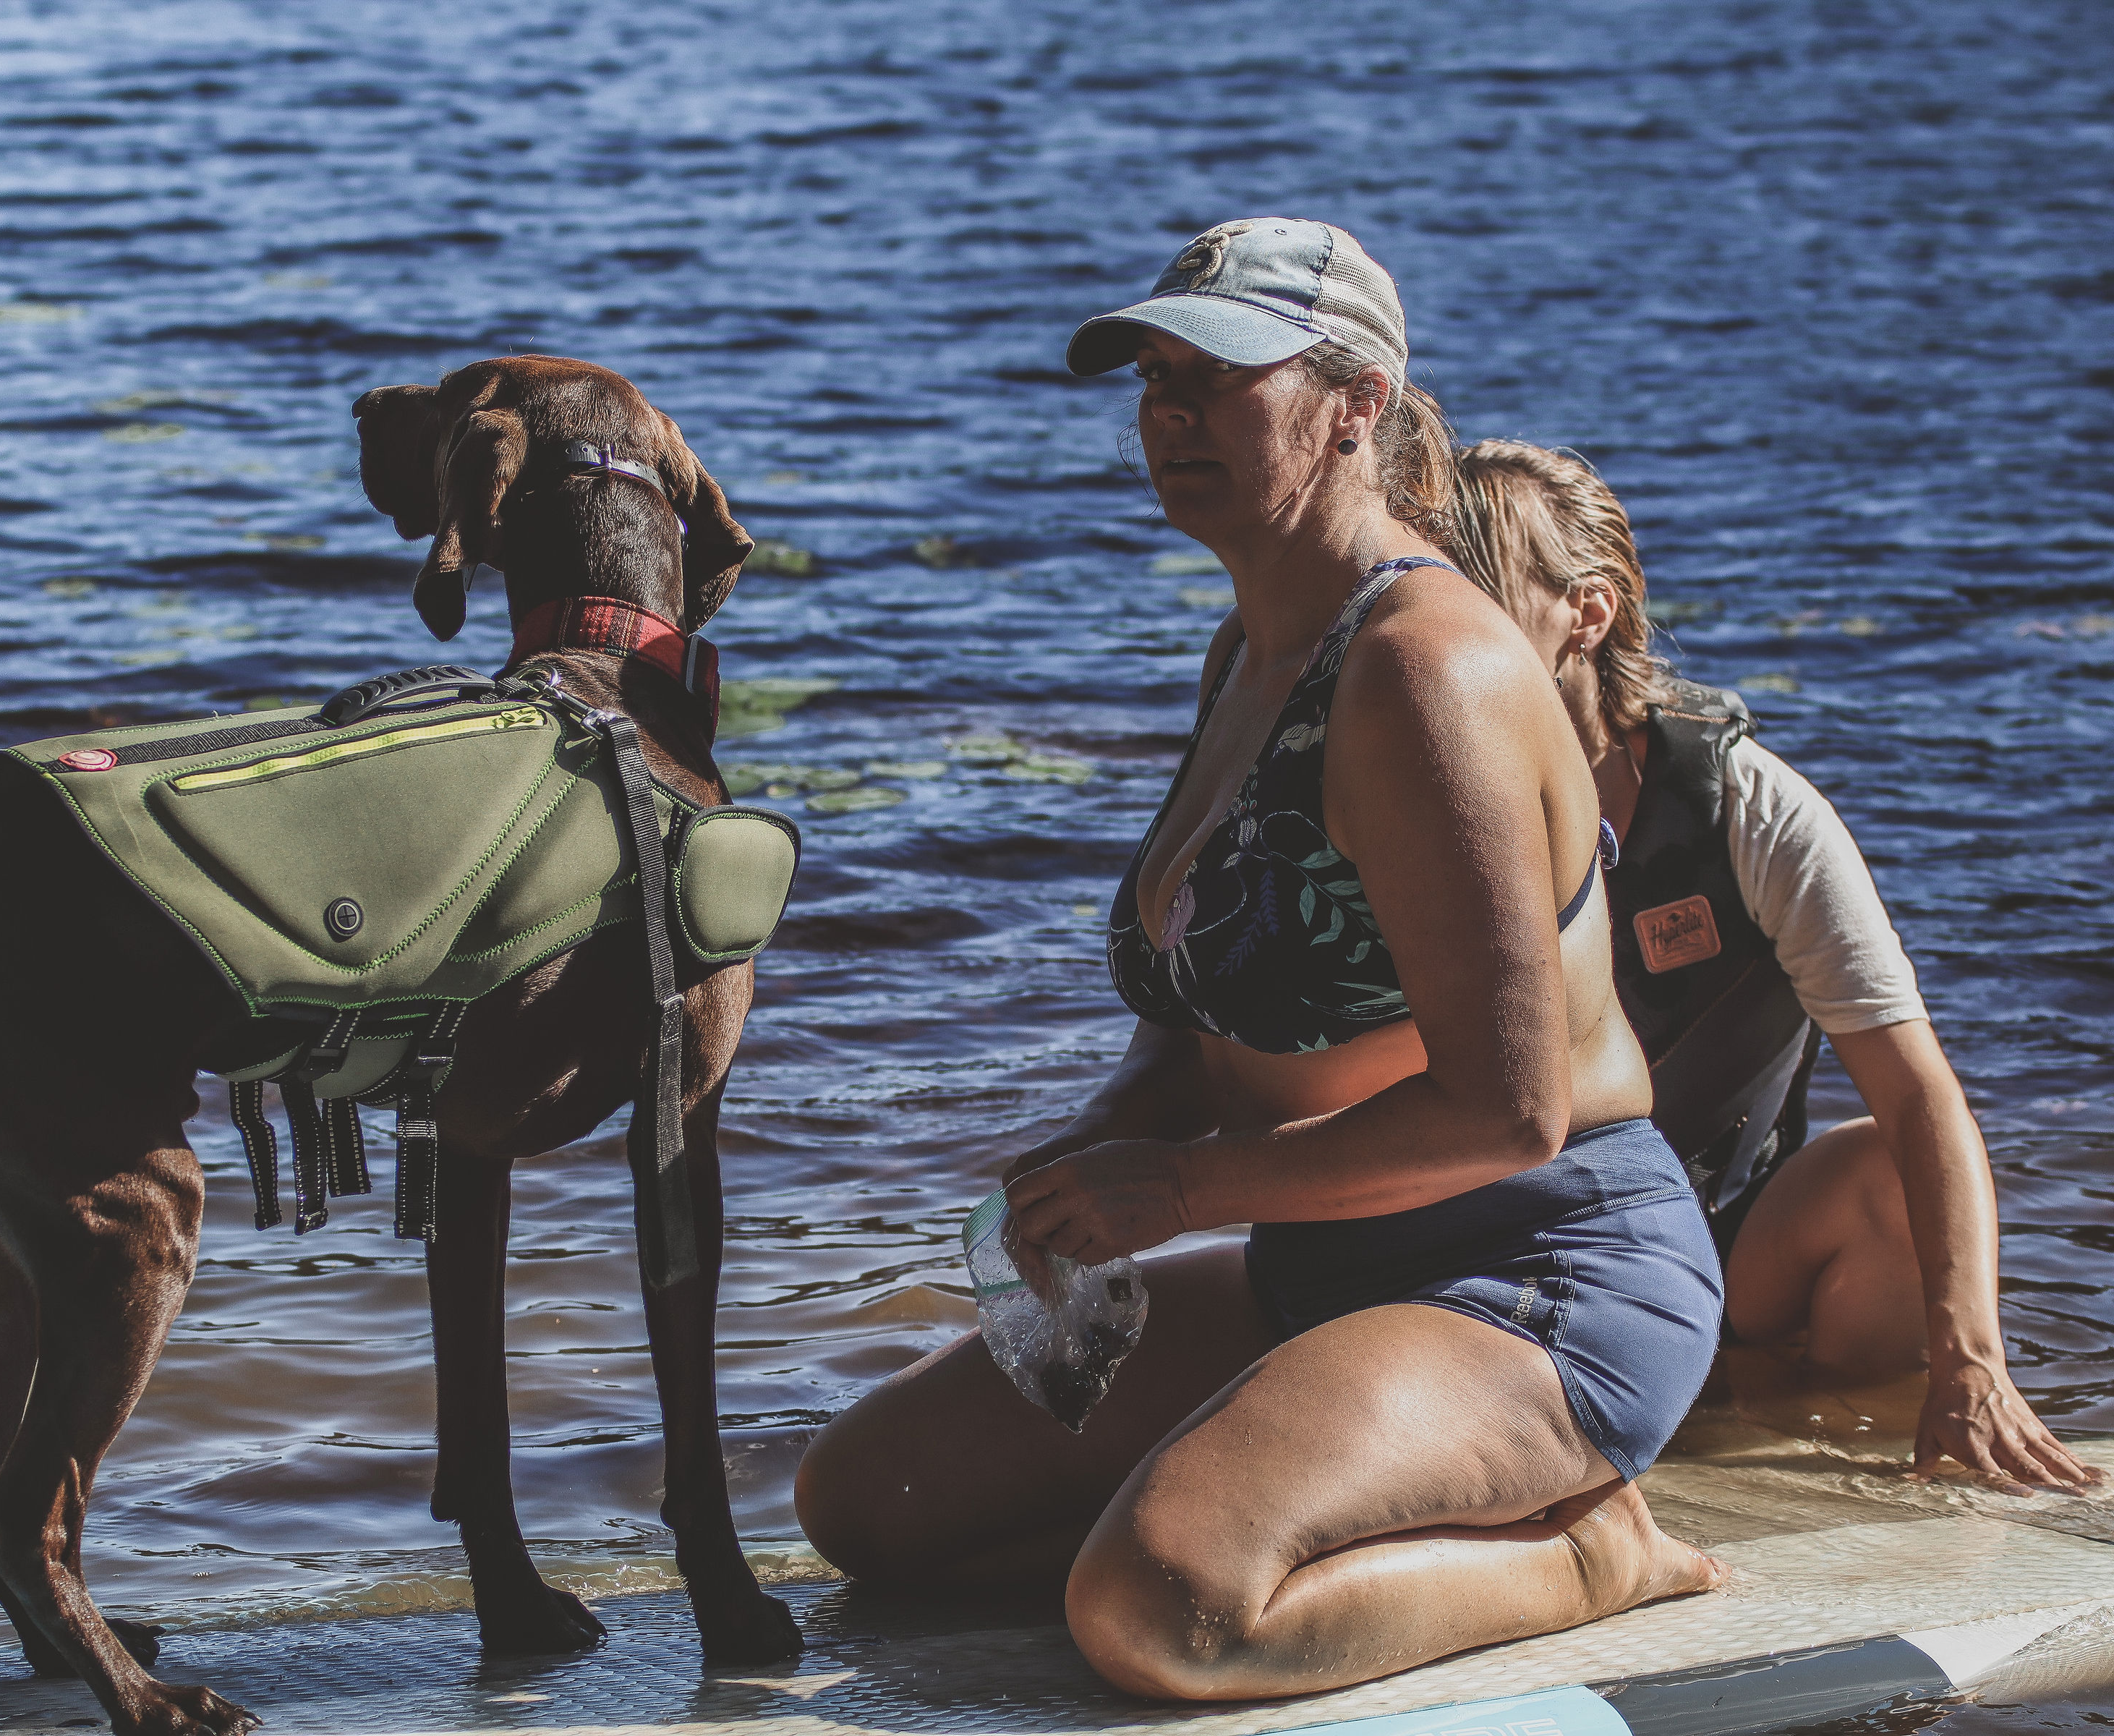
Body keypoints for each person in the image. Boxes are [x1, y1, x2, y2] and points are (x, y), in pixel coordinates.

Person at [792, 220, 1726, 1702]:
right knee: (868, 1508)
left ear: (1357, 404)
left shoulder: (1424, 669)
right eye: (1153, 379)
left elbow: (1511, 1114)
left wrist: (1177, 1192)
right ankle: (1306, 1503)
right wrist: (1094, 1148)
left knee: (1161, 1613)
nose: (1170, 412)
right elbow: (1195, 1012)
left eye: (1219, 375)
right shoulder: (1249, 652)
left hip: (1539, 1275)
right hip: (1322, 1261)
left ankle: (1593, 1550)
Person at [1446, 440, 2099, 1494]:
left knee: (1883, 1175)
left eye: (1476, 580)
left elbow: (1919, 1097)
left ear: (1588, 614)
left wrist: (1974, 1363)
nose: (1439, 617)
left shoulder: (1753, 813)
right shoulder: (1410, 799)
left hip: (1715, 1237)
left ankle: (1803, 1433)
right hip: (1487, 1242)